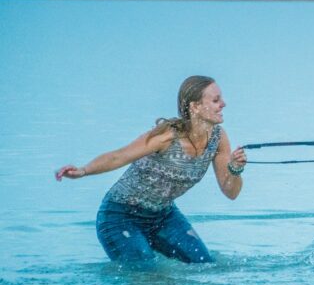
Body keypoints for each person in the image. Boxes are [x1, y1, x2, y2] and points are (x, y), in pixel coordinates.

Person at [55, 76, 247, 264]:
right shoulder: (167, 136)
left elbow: (230, 192)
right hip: (120, 216)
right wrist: (83, 170)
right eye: (215, 100)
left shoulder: (218, 138)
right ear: (195, 106)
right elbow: (119, 156)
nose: (224, 104)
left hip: (164, 216)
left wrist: (235, 169)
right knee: (146, 273)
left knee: (204, 265)